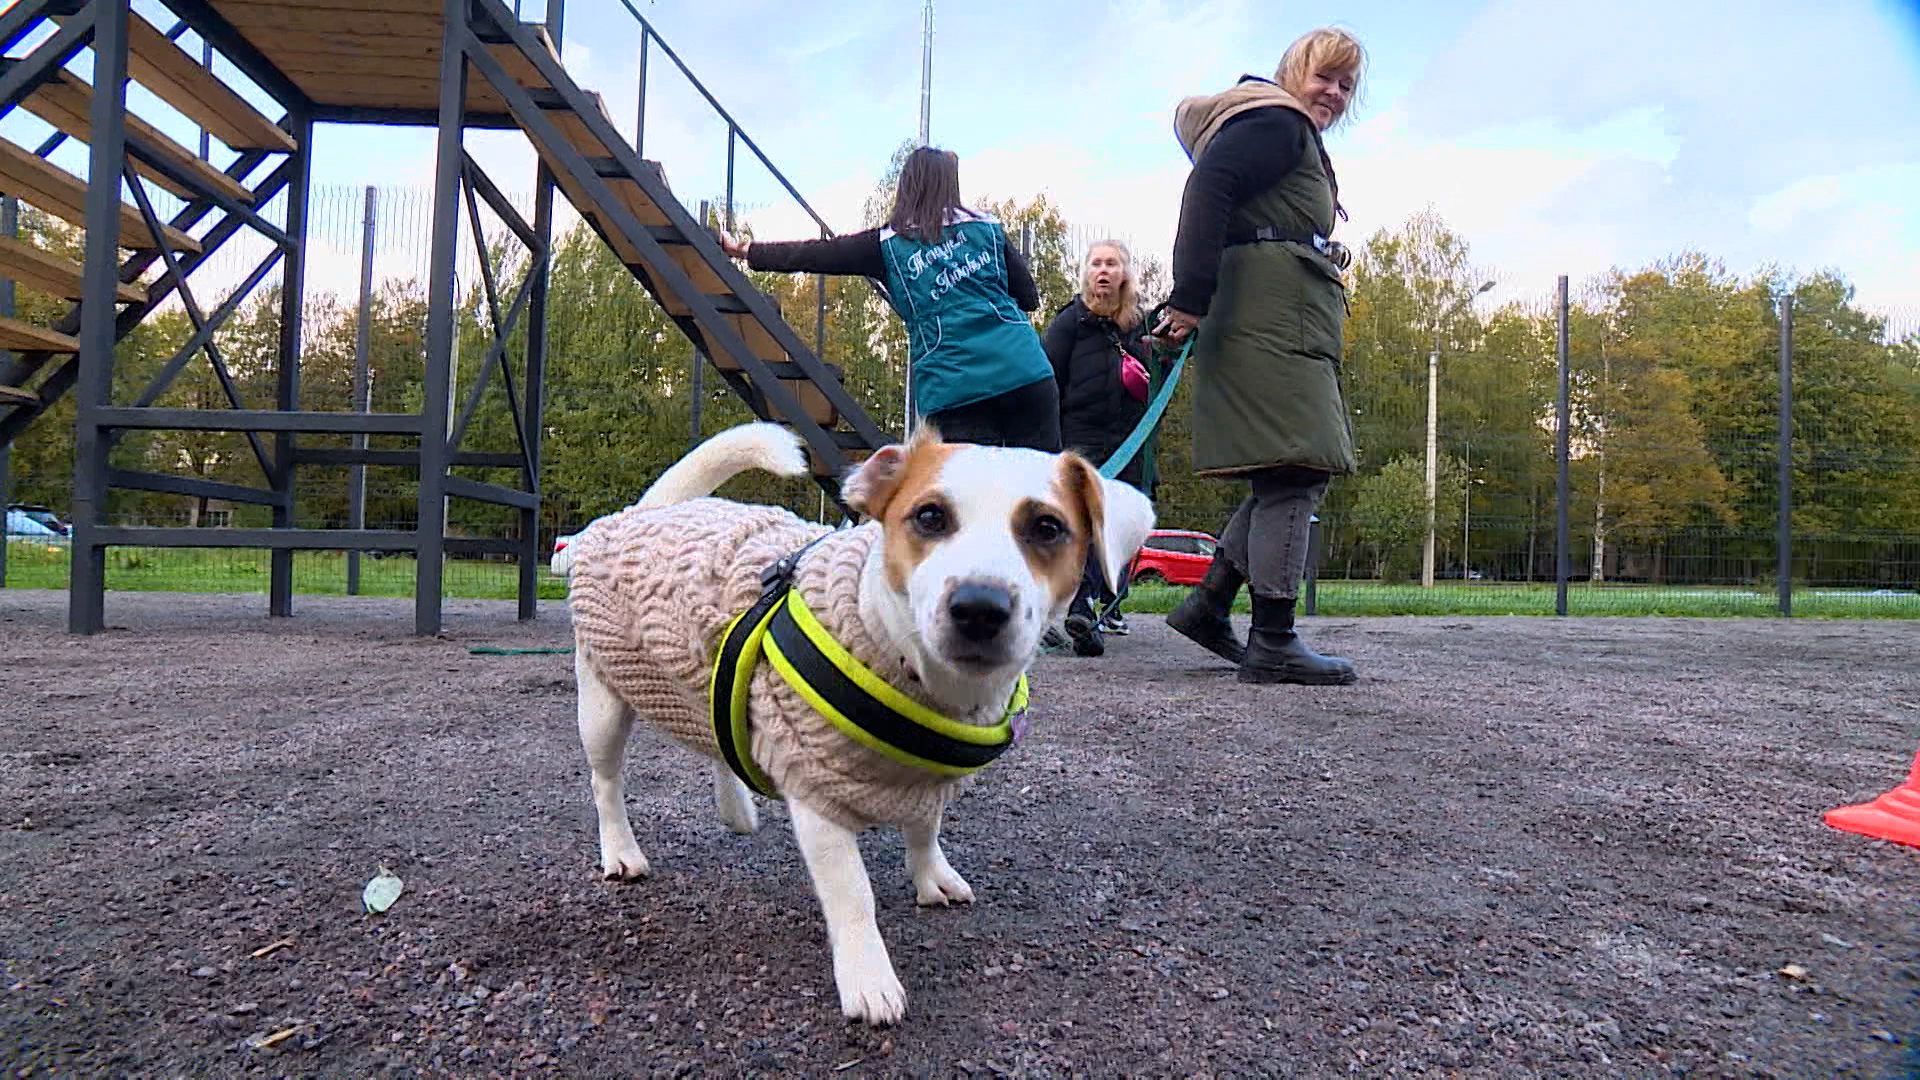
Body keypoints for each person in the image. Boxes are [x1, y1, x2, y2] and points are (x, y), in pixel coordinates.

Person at [1150, 27, 1366, 686]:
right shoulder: (1276, 122)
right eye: (1322, 76)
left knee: (1287, 472)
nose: (1332, 92)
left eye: (1345, 84)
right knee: (1296, 470)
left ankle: (1210, 604)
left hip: (1277, 318)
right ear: (1290, 73)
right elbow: (1207, 190)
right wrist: (1186, 298)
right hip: (1269, 322)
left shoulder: (1278, 127)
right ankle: (1273, 638)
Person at [717, 146, 1059, 452]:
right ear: (951, 187)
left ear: (907, 186)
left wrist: (746, 250)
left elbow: (815, 254)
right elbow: (1028, 296)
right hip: (1025, 374)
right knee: (1040, 495)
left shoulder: (885, 245)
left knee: (970, 502)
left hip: (956, 389)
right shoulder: (987, 228)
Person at [1043, 240, 1154, 656]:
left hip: (1131, 440)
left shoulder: (1140, 328)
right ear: (1086, 273)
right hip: (1081, 440)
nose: (1103, 270)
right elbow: (1046, 380)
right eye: (1096, 263)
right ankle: (1082, 605)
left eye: (1111, 263)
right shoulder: (1070, 323)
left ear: (1124, 273)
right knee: (1088, 522)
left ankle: (1104, 601)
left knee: (1124, 521)